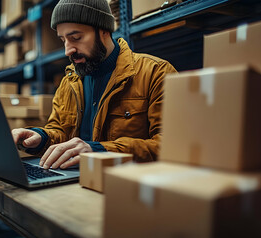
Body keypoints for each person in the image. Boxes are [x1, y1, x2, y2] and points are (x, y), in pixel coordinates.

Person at [12, 0, 177, 170]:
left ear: (104, 30)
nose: (68, 50)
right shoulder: (70, 81)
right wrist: (41, 137)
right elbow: (60, 130)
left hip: (128, 186)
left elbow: (170, 145)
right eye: (63, 40)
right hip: (74, 183)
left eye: (76, 38)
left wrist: (100, 151)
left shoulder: (156, 73)